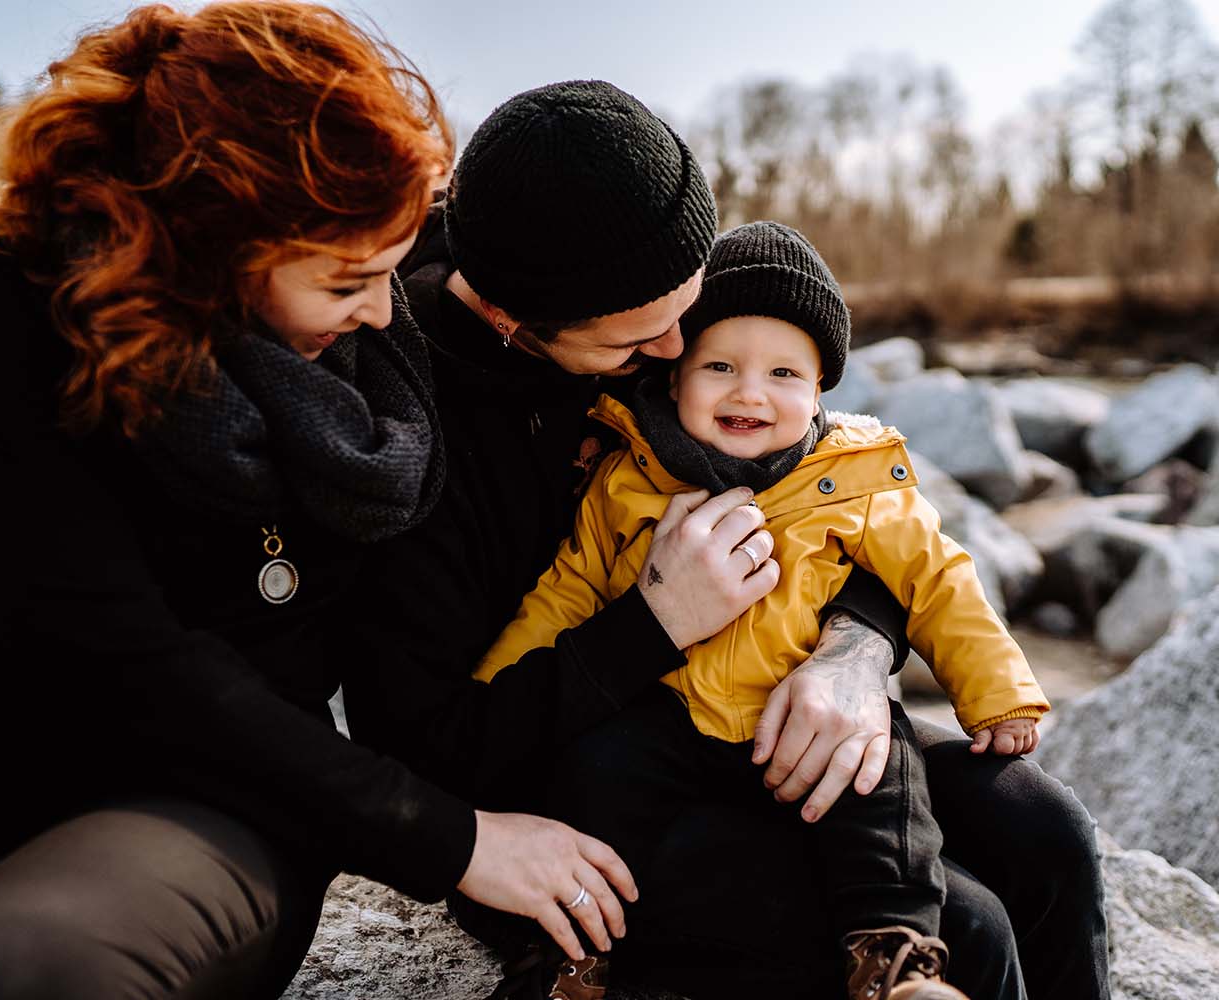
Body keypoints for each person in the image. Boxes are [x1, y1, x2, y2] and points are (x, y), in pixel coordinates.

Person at [0, 7, 638, 997]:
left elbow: (651, 345)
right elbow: (122, 666)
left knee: (11, 969)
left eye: (388, 270)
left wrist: (846, 623)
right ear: (214, 242)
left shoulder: (379, 360)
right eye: (349, 282)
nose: (382, 309)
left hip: (207, 809)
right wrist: (452, 840)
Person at [340, 81, 1109, 1000]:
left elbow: (839, 508)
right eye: (639, 340)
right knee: (969, 930)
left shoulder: (624, 268)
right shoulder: (406, 443)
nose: (678, 351)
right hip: (577, 779)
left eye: (687, 304)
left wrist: (855, 652)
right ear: (518, 323)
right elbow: (432, 751)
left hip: (753, 696)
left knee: (1044, 828)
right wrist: (658, 621)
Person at [475, 221, 1054, 1000]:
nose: (751, 392)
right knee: (597, 773)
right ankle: (570, 960)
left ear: (820, 392)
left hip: (803, 722)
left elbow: (939, 579)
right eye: (720, 365)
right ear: (675, 378)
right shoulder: (628, 478)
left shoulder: (852, 479)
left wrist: (997, 692)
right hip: (670, 717)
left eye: (785, 372)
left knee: (885, 787)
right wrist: (496, 682)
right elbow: (569, 588)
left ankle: (896, 959)